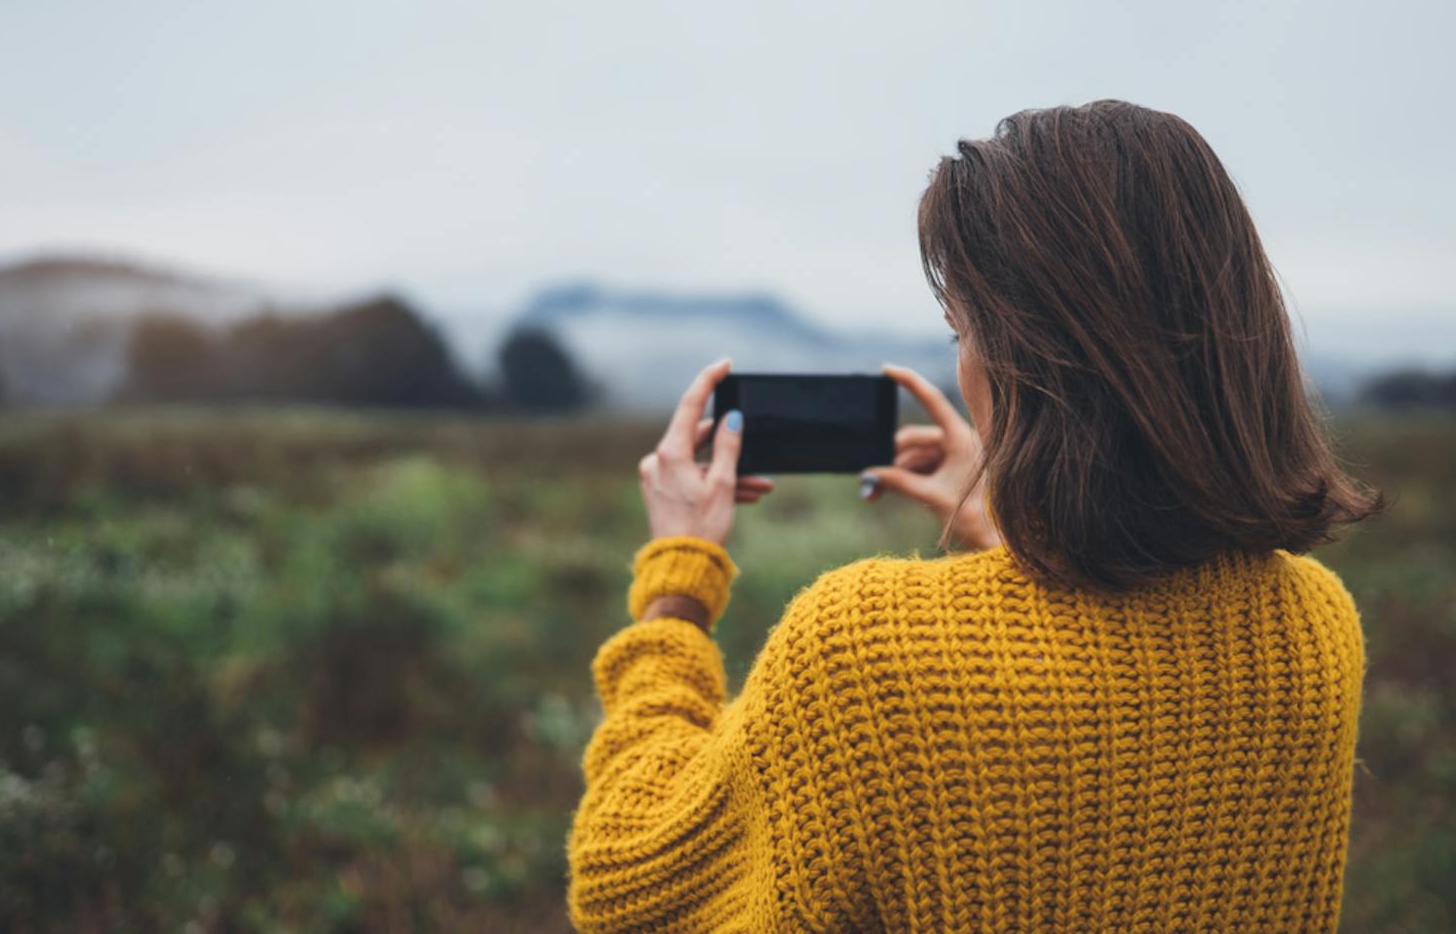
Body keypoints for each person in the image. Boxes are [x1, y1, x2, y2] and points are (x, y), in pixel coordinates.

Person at [564, 99, 1385, 933]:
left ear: (1023, 359)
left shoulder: (866, 654)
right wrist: (1012, 524)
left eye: (962, 327)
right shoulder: (1313, 633)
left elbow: (629, 884)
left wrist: (677, 580)